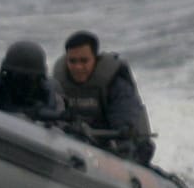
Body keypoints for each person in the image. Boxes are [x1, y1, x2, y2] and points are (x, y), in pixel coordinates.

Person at [54, 30, 155, 164]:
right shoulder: (59, 82)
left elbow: (126, 119)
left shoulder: (115, 85)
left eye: (84, 61)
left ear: (95, 59)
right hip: (78, 143)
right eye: (72, 61)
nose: (78, 67)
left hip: (118, 146)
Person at [0, 41, 67, 124]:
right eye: (17, 77)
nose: (23, 84)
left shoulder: (50, 93)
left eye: (29, 78)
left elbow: (61, 125)